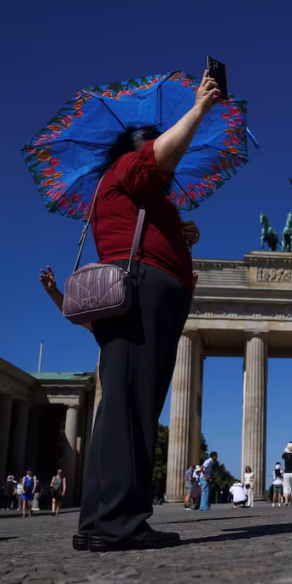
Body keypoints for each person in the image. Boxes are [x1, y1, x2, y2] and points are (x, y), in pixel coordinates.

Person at [74, 71, 220, 552]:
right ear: (138, 149)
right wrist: (198, 109)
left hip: (140, 293)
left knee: (124, 402)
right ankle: (119, 522)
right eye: (154, 148)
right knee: (132, 405)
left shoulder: (131, 192)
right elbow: (154, 160)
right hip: (141, 293)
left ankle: (101, 518)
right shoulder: (129, 169)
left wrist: (181, 233)